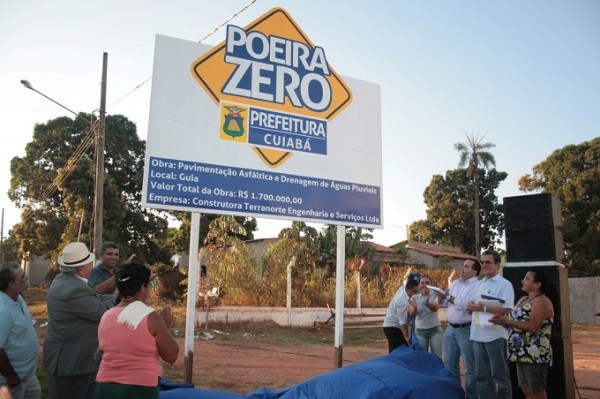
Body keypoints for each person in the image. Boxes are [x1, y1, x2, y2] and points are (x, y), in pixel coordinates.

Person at [43, 242, 116, 399]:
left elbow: (95, 298)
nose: (92, 266)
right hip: (71, 360)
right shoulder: (75, 288)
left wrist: (115, 296)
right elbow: (100, 311)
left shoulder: (64, 280)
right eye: (90, 263)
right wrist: (119, 297)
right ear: (81, 268)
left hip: (67, 356)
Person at [96, 263, 179, 399]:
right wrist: (166, 326)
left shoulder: (107, 315)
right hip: (139, 386)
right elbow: (171, 355)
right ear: (142, 288)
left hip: (105, 385)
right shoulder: (151, 317)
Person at [490, 269, 554, 399]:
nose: (522, 281)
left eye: (526, 279)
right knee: (527, 390)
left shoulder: (540, 300)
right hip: (520, 352)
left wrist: (507, 321)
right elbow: (514, 323)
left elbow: (533, 327)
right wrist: (502, 322)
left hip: (535, 353)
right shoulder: (523, 299)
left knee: (537, 390)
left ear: (537, 284)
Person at [466, 249, 515, 399]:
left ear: (497, 264)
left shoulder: (504, 284)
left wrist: (484, 307)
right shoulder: (478, 284)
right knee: (481, 377)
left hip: (495, 336)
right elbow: (474, 308)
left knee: (500, 378)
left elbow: (506, 309)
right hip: (477, 336)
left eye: (488, 262)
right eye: (482, 262)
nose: (484, 265)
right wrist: (471, 307)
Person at [435, 259, 481, 398]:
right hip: (450, 329)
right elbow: (444, 304)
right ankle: (455, 395)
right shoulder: (455, 283)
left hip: (466, 329)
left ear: (475, 271)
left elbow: (466, 306)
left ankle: (471, 396)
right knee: (449, 365)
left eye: (466, 267)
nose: (462, 269)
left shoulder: (477, 286)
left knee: (470, 367)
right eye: (463, 266)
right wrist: (441, 297)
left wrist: (448, 297)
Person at [0, 263, 41, 399]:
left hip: (28, 376)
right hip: (11, 381)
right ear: (11, 284)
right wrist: (12, 377)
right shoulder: (3, 310)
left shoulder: (18, 297)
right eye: (23, 276)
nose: (27, 277)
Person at [409, 275, 443, 358]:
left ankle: (437, 371)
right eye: (422, 283)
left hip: (435, 330)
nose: (425, 285)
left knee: (437, 356)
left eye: (427, 283)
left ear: (431, 284)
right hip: (420, 331)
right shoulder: (414, 297)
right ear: (419, 285)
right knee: (422, 357)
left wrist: (427, 303)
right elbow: (412, 314)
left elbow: (435, 308)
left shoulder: (435, 295)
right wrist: (415, 307)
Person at [383, 279, 420, 352]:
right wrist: (406, 337)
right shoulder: (402, 301)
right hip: (392, 328)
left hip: (391, 327)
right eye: (414, 292)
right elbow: (402, 322)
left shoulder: (403, 289)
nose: (416, 294)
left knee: (396, 350)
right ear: (408, 290)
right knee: (399, 350)